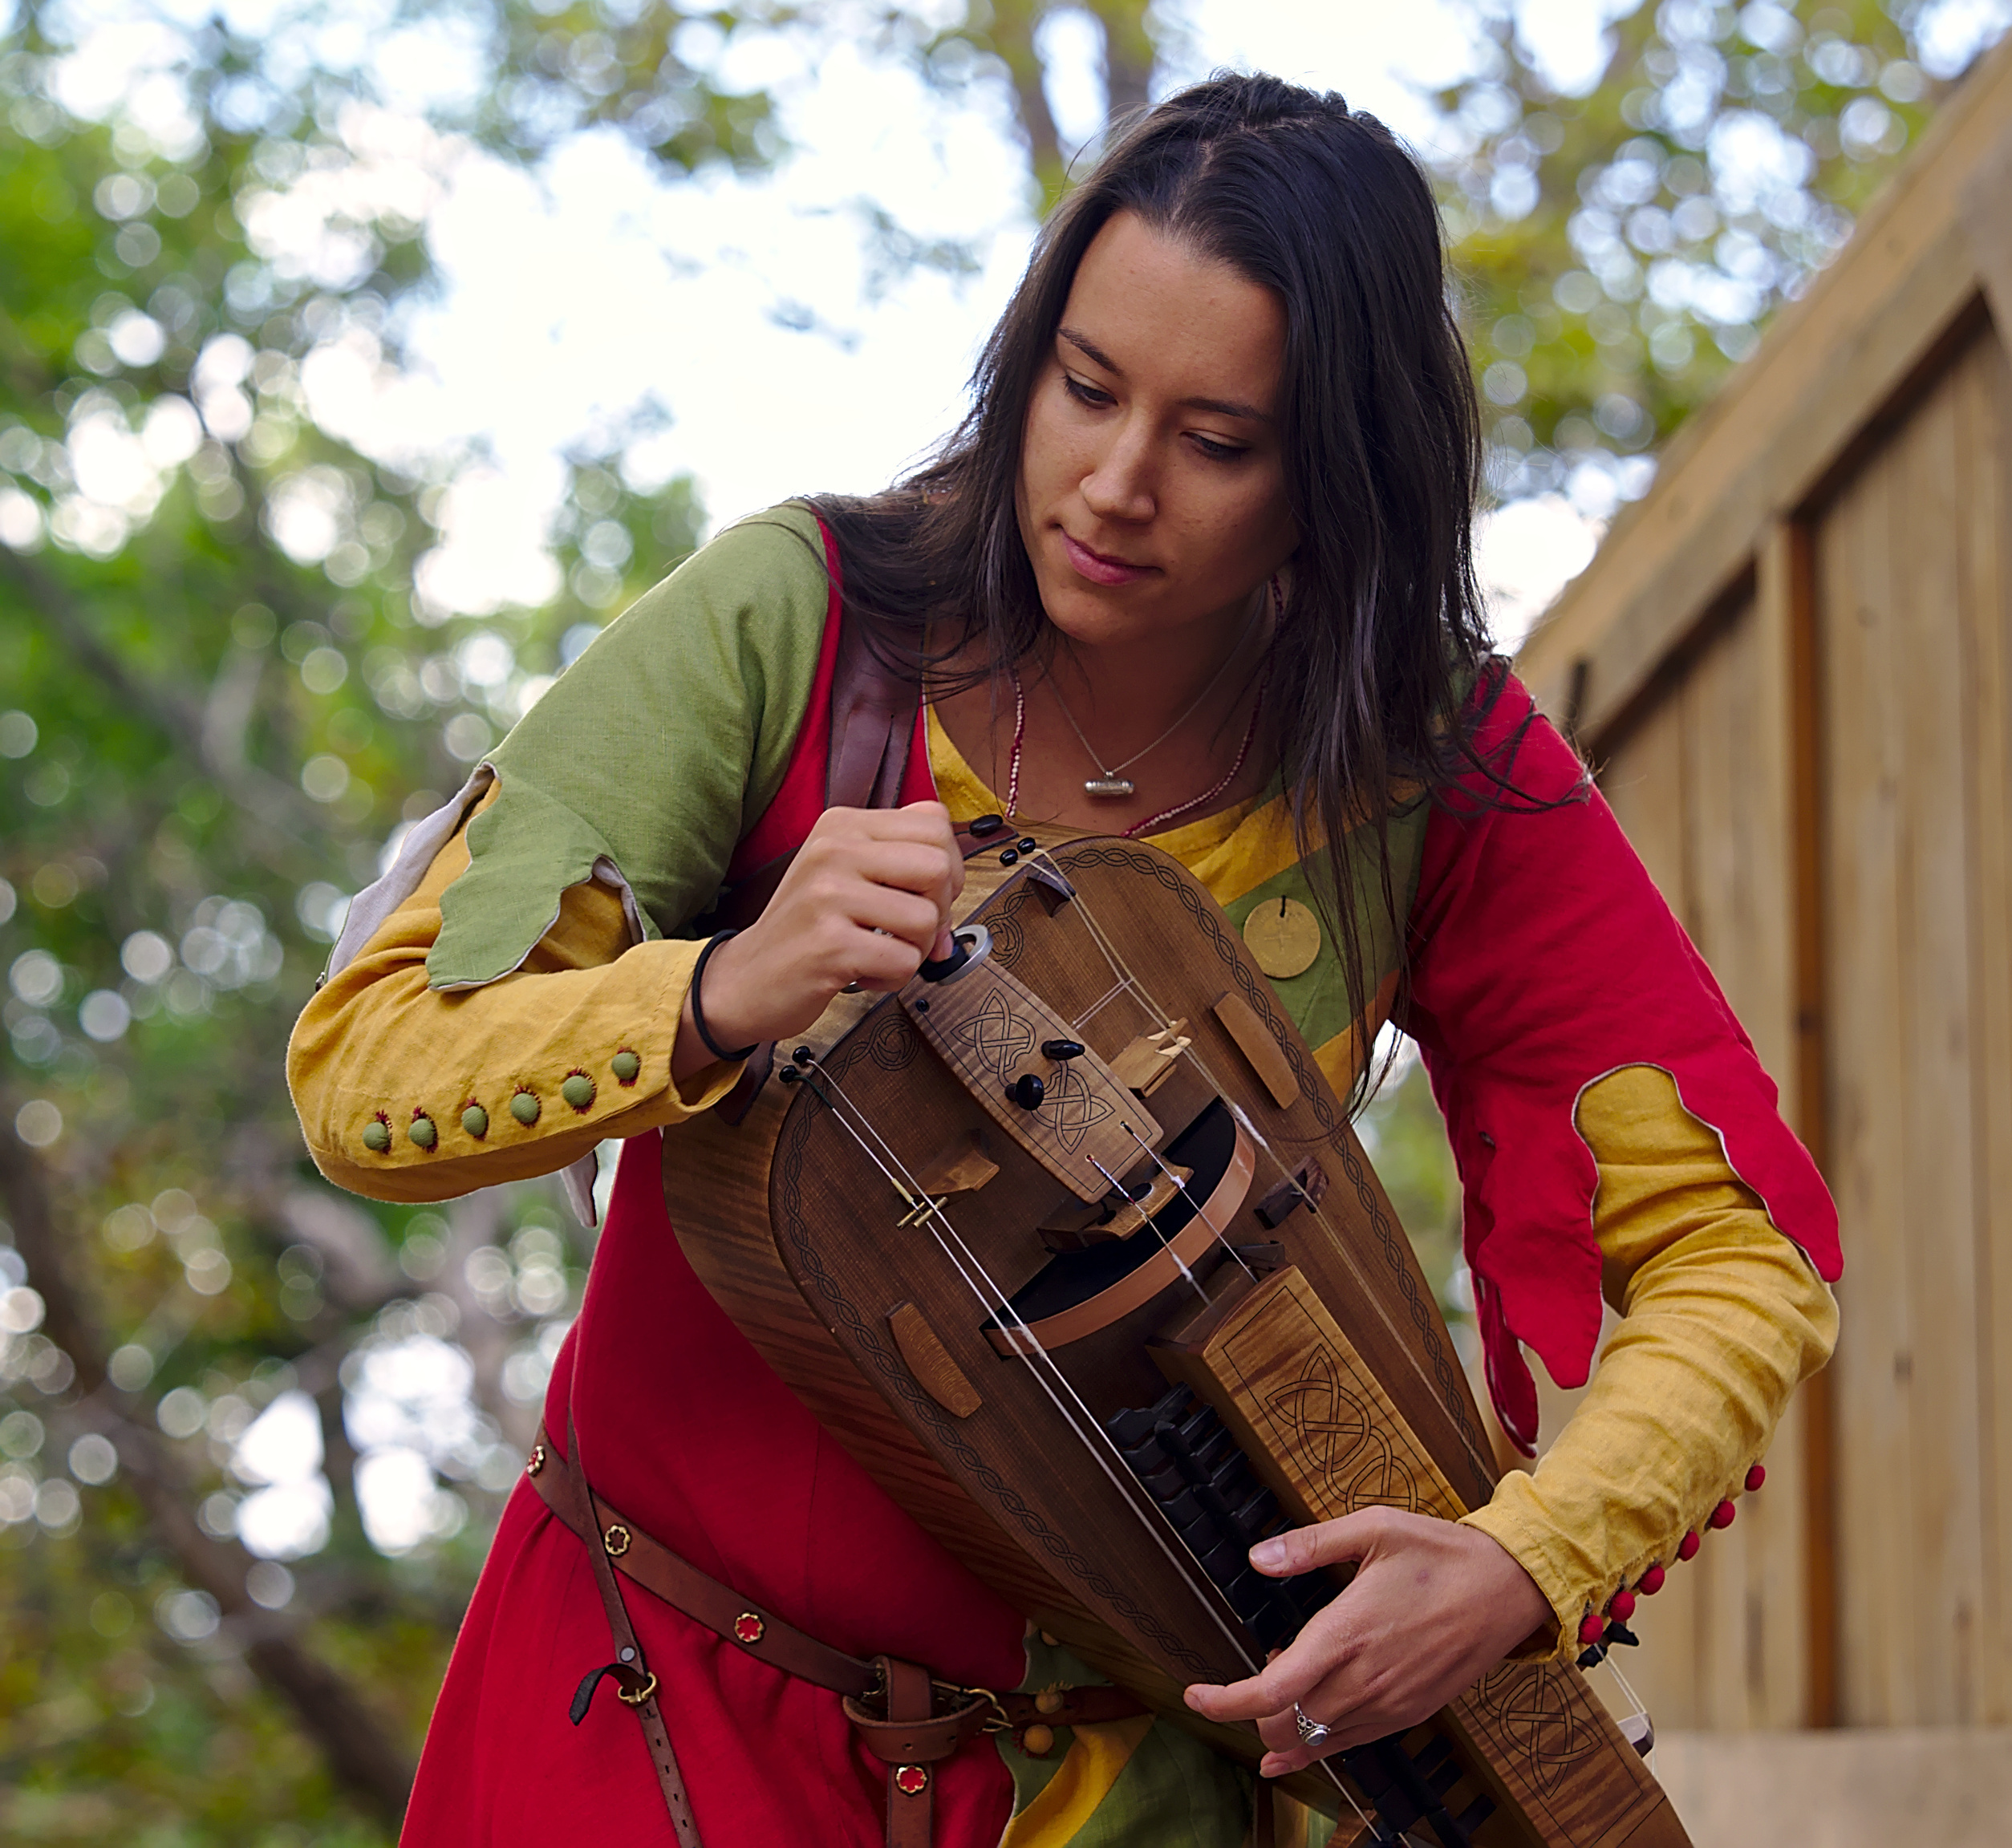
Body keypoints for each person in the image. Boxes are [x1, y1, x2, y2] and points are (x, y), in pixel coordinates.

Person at [287, 73, 1840, 1848]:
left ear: (1338, 476)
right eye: (1084, 389)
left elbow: (1744, 1255)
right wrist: (715, 992)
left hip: (1146, 1790)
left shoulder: (1424, 762)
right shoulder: (799, 619)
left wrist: (1523, 1561)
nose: (1114, 484)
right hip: (657, 1728)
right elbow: (364, 1071)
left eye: (1218, 441)